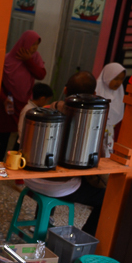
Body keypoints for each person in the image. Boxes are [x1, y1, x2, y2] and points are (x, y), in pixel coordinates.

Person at [24, 72, 106, 236]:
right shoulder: (92, 120)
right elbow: (97, 160)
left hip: (30, 177)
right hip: (59, 188)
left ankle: (43, 220)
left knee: (50, 164)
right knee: (106, 197)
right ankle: (84, 238)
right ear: (94, 94)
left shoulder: (49, 108)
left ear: (65, 89)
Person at [0, 31, 46, 160]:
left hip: (25, 101)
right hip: (9, 101)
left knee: (23, 133)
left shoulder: (35, 58)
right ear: (24, 43)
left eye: (36, 45)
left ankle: (16, 159)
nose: (34, 48)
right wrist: (4, 98)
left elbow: (41, 75)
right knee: (3, 133)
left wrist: (28, 61)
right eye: (32, 44)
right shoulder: (7, 59)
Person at [95, 62, 127, 156]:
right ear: (107, 76)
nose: (119, 82)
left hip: (109, 132)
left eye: (121, 79)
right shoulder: (97, 90)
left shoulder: (119, 92)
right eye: (116, 78)